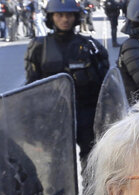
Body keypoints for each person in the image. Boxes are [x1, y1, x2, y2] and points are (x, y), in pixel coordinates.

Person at [24, 0, 109, 167]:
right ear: (51, 17)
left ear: (76, 17)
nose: (65, 19)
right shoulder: (39, 47)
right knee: (56, 170)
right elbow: (31, 88)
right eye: (59, 15)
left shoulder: (90, 46)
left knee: (93, 166)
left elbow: (105, 85)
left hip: (87, 115)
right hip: (53, 116)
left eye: (69, 15)